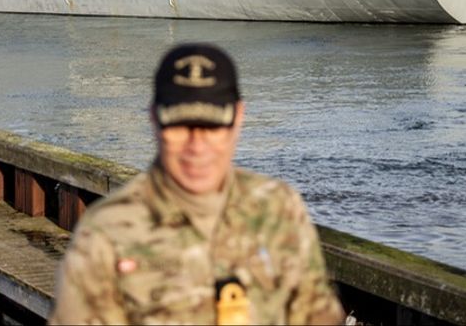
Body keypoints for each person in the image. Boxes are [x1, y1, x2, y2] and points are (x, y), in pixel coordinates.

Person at [49, 44, 344, 325]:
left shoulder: (277, 208)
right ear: (153, 119)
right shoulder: (106, 231)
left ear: (239, 117)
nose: (197, 146)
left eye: (213, 126)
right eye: (179, 125)